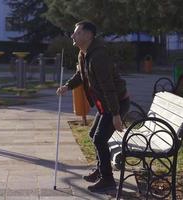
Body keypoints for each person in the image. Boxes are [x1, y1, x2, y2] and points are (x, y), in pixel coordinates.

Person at [56, 21, 130, 192]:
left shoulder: (98, 56)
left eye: (77, 33)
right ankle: (101, 170)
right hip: (105, 104)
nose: (73, 36)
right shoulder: (84, 53)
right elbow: (81, 74)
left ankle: (107, 179)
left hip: (116, 103)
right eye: (74, 33)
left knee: (99, 138)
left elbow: (108, 86)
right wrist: (67, 86)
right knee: (93, 134)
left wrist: (116, 114)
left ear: (89, 35)